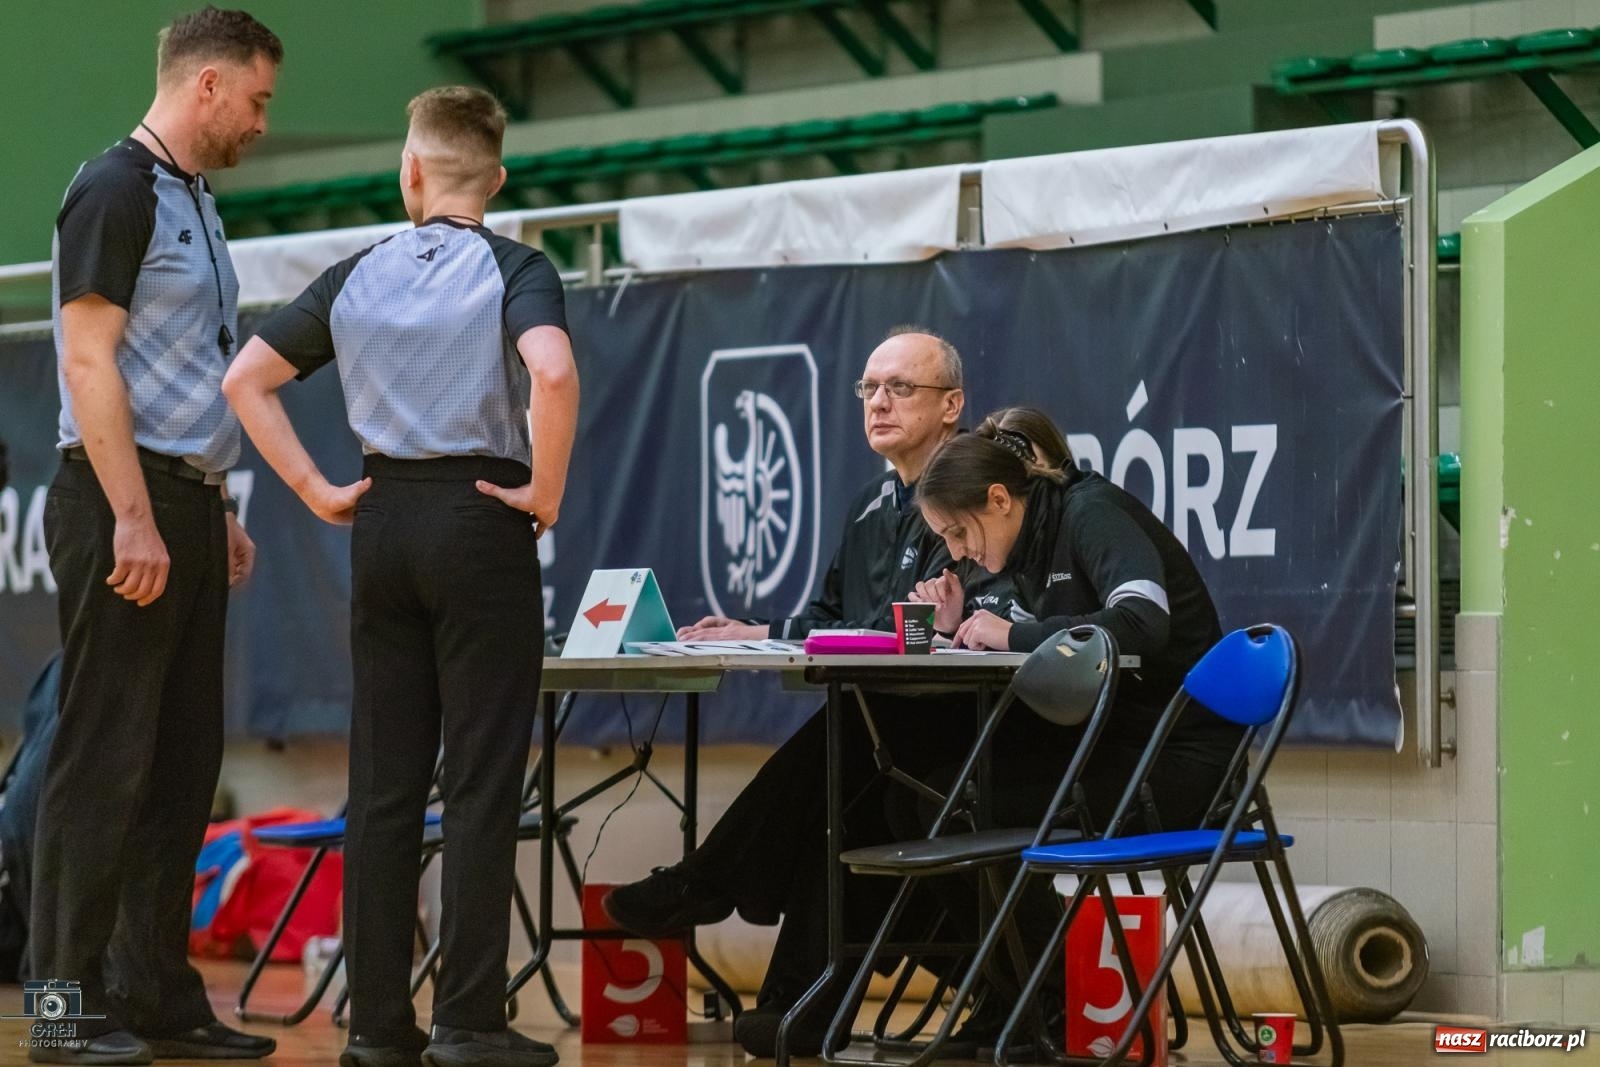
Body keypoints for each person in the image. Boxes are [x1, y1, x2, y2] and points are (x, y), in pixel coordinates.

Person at [223, 86, 577, 1067]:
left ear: (410, 173)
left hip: (379, 521)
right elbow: (549, 370)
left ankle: (377, 1027)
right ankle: (468, 1021)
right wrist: (545, 488)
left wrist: (315, 489)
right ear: (495, 179)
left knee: (381, 786)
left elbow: (243, 378)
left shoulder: (353, 271)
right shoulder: (516, 264)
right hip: (480, 521)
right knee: (478, 782)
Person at [605, 327, 985, 1056]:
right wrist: (758, 627)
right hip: (882, 723)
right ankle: (795, 1006)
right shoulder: (871, 504)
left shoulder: (968, 494)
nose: (878, 401)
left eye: (900, 388)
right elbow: (832, 617)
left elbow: (920, 626)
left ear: (952, 405)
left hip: (954, 724)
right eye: (869, 388)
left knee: (843, 759)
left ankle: (708, 881)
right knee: (838, 798)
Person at [32, 9, 280, 1064]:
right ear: (209, 85)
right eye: (260, 101)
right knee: (101, 760)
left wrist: (208, 503)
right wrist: (135, 512)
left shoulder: (194, 197)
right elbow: (91, 363)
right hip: (112, 497)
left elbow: (180, 371)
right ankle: (61, 1012)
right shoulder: (114, 187)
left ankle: (156, 992)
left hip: (181, 497)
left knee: (181, 763)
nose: (264, 123)